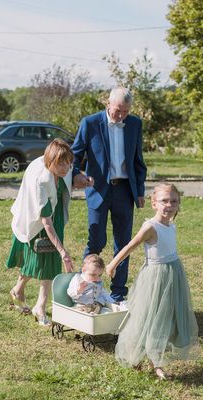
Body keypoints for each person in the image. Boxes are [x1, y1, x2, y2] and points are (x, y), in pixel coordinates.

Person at [105, 182, 198, 380]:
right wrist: (113, 264)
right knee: (149, 317)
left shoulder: (170, 225)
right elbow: (130, 246)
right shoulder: (151, 226)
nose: (169, 205)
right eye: (164, 201)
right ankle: (140, 357)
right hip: (155, 278)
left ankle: (156, 358)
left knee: (165, 318)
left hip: (174, 274)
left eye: (174, 201)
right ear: (154, 203)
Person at [71, 86, 147, 302]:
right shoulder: (90, 123)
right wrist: (78, 174)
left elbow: (138, 160)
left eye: (125, 112)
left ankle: (118, 293)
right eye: (117, 111)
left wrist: (139, 189)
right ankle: (83, 288)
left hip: (124, 190)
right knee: (96, 240)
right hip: (98, 190)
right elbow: (75, 155)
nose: (121, 115)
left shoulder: (135, 124)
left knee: (123, 243)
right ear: (108, 105)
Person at [6, 139, 88, 327]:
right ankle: (40, 307)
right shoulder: (42, 181)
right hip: (36, 217)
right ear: (49, 162)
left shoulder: (65, 165)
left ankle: (18, 291)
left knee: (42, 260)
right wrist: (63, 252)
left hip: (55, 212)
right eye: (61, 163)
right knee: (44, 260)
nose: (66, 167)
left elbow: (70, 173)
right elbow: (46, 222)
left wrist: (82, 178)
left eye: (68, 162)